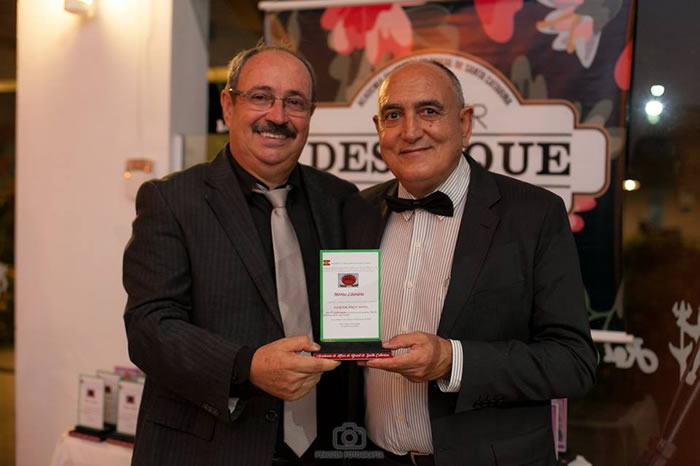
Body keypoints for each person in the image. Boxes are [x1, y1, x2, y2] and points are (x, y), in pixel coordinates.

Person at [344, 60, 598, 465]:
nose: (410, 131)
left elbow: (573, 362)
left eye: (429, 111)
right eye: (393, 115)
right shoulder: (356, 211)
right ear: (379, 129)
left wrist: (452, 360)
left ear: (464, 124)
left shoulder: (534, 214)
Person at [123, 44, 358, 466]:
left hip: (325, 447)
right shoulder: (171, 200)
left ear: (310, 115)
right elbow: (149, 327)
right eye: (261, 97)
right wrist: (246, 366)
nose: (277, 116)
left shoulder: (340, 199)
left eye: (295, 102)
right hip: (207, 449)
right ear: (228, 106)